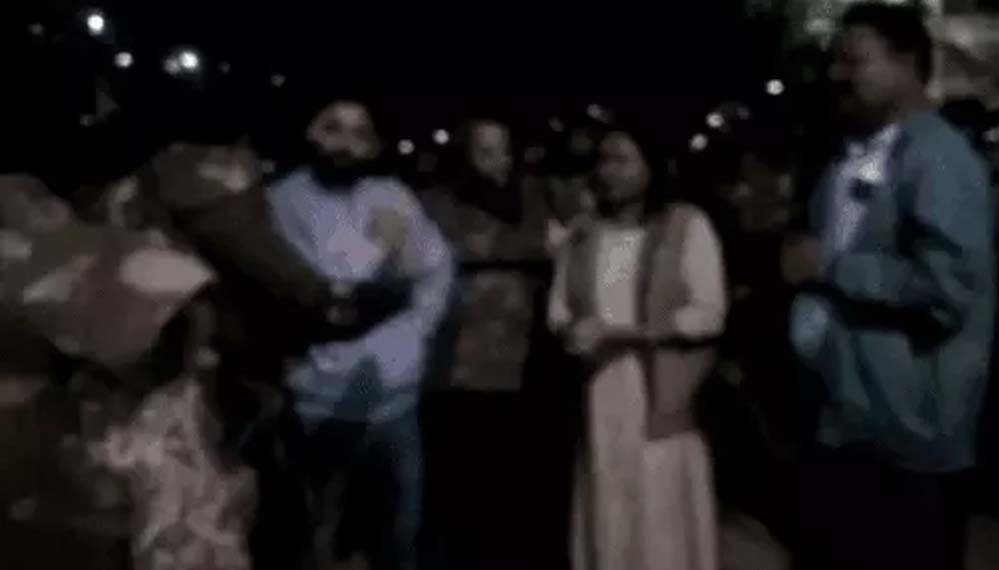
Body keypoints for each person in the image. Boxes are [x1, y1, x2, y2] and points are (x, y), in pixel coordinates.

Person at [785, 4, 996, 569]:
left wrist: (832, 267)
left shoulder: (939, 157)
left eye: (854, 61)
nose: (837, 74)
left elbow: (948, 289)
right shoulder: (850, 155)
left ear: (907, 64)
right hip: (854, 422)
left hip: (909, 439)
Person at [267, 99, 453, 570]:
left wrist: (419, 332)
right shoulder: (284, 201)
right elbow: (332, 293)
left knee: (397, 544)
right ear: (309, 132)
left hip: (395, 402)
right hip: (320, 404)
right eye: (332, 128)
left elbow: (435, 264)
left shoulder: (390, 194)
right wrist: (382, 248)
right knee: (319, 545)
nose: (346, 144)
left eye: (359, 133)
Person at [548, 121, 727, 570]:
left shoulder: (687, 225)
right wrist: (573, 332)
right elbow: (559, 309)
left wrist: (628, 334)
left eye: (622, 160)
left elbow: (709, 311)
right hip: (600, 391)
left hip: (661, 388)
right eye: (603, 160)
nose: (608, 171)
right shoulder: (583, 233)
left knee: (660, 503)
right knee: (608, 498)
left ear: (651, 167)